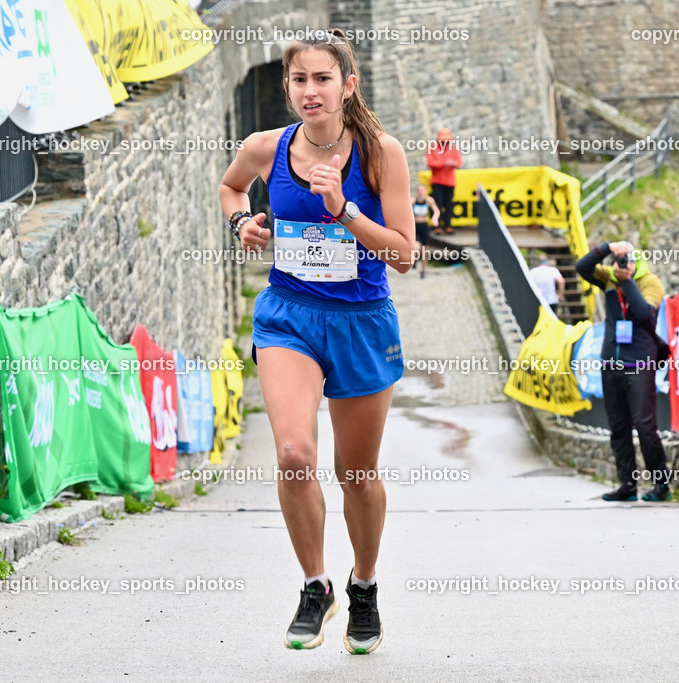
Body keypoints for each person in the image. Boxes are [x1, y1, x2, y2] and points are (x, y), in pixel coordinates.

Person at [218, 28, 414, 654]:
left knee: (357, 473)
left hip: (361, 321)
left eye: (323, 79)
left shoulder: (381, 155)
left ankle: (364, 586)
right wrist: (241, 223)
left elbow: (405, 254)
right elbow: (231, 187)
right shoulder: (265, 147)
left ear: (347, 85)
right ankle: (315, 585)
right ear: (287, 86)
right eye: (299, 79)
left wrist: (343, 210)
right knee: (294, 454)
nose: (311, 91)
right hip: (289, 317)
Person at [575, 241, 671, 502]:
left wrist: (627, 282)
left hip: (639, 363)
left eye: (628, 261)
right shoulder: (609, 278)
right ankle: (627, 485)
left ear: (637, 263)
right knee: (618, 427)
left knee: (644, 425)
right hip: (610, 364)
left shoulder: (651, 283)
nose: (623, 265)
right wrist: (607, 248)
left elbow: (643, 314)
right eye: (621, 261)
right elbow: (582, 267)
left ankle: (661, 485)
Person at [425, 127, 461, 234]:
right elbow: (430, 163)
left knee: (448, 205)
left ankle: (447, 226)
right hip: (437, 181)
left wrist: (453, 164)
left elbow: (459, 162)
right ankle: (437, 226)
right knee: (437, 204)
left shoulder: (453, 149)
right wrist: (443, 164)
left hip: (450, 182)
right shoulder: (432, 149)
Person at [412, 183, 439, 278]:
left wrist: (434, 218)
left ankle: (423, 270)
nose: (420, 192)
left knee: (425, 250)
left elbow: (436, 211)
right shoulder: (413, 201)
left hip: (424, 226)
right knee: (416, 246)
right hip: (415, 226)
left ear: (425, 191)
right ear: (416, 192)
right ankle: (415, 258)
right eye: (419, 190)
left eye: (422, 190)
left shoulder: (429, 200)